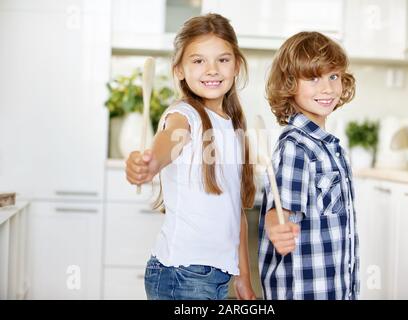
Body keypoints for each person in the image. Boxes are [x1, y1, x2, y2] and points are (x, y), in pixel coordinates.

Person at [125, 13, 256, 300]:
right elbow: (170, 141)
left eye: (223, 59)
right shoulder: (185, 115)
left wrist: (243, 278)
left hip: (218, 277)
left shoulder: (233, 128)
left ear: (237, 65)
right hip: (182, 274)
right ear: (180, 70)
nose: (212, 69)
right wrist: (150, 163)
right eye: (198, 61)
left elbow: (237, 215)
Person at [258, 31, 359, 300]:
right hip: (303, 291)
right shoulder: (296, 147)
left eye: (333, 76)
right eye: (313, 78)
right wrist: (277, 227)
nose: (327, 88)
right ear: (289, 84)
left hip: (333, 288)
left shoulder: (328, 146)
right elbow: (281, 212)